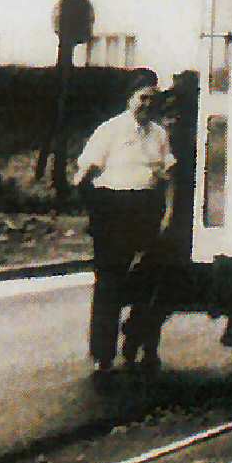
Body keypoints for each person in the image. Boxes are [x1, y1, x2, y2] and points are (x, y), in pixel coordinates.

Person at [73, 68, 175, 378]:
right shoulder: (110, 131)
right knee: (109, 285)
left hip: (145, 211)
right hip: (113, 211)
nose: (147, 104)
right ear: (130, 98)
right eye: (142, 98)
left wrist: (165, 210)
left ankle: (138, 345)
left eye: (152, 99)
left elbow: (167, 173)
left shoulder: (158, 134)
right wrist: (97, 212)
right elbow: (84, 174)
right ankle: (102, 355)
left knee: (148, 282)